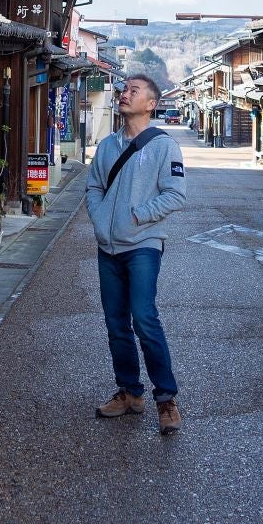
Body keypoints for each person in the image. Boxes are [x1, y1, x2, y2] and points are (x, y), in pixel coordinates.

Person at [85, 73, 186, 435]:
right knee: (115, 324)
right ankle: (129, 392)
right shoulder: (108, 145)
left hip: (143, 245)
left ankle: (166, 400)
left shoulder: (164, 147)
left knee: (144, 318)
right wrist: (99, 220)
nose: (124, 94)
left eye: (134, 91)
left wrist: (137, 215)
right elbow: (94, 185)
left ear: (151, 103)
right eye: (124, 89)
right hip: (107, 246)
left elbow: (176, 194)